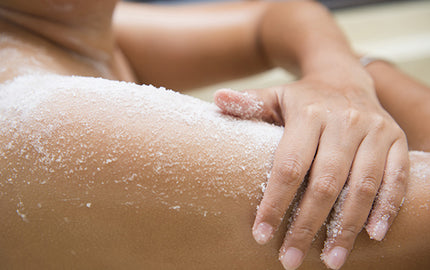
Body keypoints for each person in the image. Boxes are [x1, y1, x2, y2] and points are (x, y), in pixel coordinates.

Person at [0, 0, 428, 269]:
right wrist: (363, 74)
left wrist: (342, 77)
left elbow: (276, 16)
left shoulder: (62, 23)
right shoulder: (54, 123)